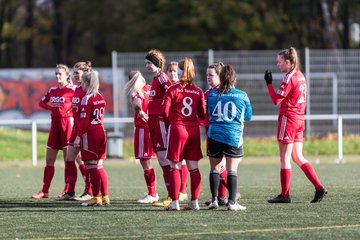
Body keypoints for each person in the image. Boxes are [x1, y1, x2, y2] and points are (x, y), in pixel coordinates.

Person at [264, 47, 327, 203]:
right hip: (299, 119)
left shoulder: (289, 77)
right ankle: (319, 187)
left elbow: (276, 100)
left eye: (279, 62)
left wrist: (269, 85)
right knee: (298, 156)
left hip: (289, 119)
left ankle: (285, 195)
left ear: (288, 62)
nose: (278, 65)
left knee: (285, 158)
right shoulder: (301, 76)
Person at [163, 57, 206, 211]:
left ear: (180, 72)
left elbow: (165, 112)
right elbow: (202, 114)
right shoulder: (198, 91)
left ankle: (175, 203)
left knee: (174, 166)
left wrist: (171, 126)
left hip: (178, 128)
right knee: (193, 168)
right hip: (194, 130)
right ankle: (194, 202)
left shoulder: (172, 89)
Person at [207, 64, 252, 211]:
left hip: (214, 135)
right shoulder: (242, 95)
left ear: (220, 78)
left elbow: (208, 112)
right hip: (233, 136)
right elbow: (248, 116)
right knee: (232, 169)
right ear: (234, 79)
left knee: (214, 168)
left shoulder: (212, 94)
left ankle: (214, 200)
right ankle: (232, 203)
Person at [32, 64, 75, 199]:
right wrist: (53, 109)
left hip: (67, 124)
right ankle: (45, 191)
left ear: (67, 75)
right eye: (56, 73)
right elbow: (41, 103)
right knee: (49, 160)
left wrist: (71, 112)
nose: (57, 76)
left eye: (59, 74)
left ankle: (67, 190)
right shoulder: (53, 90)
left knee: (69, 160)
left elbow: (80, 104)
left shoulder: (73, 90)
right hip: (55, 125)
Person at [57, 61, 93, 201]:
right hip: (76, 129)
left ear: (85, 74)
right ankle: (70, 192)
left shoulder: (89, 90)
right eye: (74, 72)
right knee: (69, 158)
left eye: (77, 73)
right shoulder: (77, 89)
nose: (74, 75)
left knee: (89, 161)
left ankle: (90, 191)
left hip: (86, 131)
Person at [73, 71, 109, 206]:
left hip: (91, 134)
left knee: (91, 166)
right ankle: (105, 196)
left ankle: (96, 197)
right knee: (99, 166)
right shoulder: (100, 96)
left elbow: (83, 122)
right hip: (101, 131)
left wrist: (78, 137)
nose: (80, 85)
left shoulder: (86, 99)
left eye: (82, 82)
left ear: (87, 84)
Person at [125, 70, 159, 203]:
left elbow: (138, 107)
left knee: (145, 160)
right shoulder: (151, 89)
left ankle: (152, 193)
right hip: (154, 127)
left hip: (143, 129)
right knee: (163, 160)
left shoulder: (136, 93)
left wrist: (140, 112)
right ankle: (175, 191)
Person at [144, 49, 173, 207]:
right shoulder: (155, 79)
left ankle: (172, 195)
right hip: (153, 122)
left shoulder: (162, 77)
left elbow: (172, 92)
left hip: (160, 121)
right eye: (146, 63)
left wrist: (165, 112)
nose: (147, 66)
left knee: (164, 159)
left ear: (157, 63)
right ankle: (172, 194)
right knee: (162, 159)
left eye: (149, 63)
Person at [202, 62, 231, 207]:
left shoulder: (224, 92)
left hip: (220, 134)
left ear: (220, 76)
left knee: (219, 166)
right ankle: (222, 196)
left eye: (211, 75)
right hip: (211, 133)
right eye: (207, 74)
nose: (208, 77)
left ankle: (225, 196)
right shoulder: (208, 93)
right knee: (219, 166)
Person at [165, 61, 188, 202]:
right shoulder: (168, 87)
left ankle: (182, 191)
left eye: (175, 72)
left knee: (181, 161)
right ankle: (176, 192)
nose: (173, 74)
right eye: (170, 72)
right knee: (176, 161)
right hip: (174, 127)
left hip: (179, 127)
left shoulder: (178, 89)